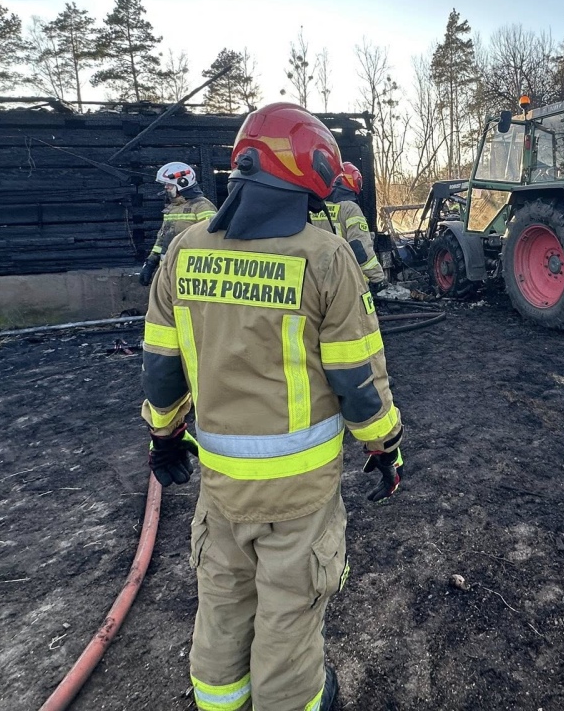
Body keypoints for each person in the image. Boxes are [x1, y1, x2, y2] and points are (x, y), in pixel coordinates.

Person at [140, 103, 404, 711]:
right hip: (298, 495)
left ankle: (218, 701)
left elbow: (160, 366)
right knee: (288, 611)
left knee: (224, 602)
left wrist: (163, 436)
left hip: (221, 484)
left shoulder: (183, 253)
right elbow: (357, 378)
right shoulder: (325, 257)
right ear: (308, 168)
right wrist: (385, 446)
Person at [139, 162, 218, 286]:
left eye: (169, 185)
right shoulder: (173, 208)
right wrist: (151, 262)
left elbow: (211, 240)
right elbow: (163, 238)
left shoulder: (202, 207)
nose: (166, 188)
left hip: (192, 273)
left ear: (182, 183)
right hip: (169, 269)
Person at [310, 162, 386, 290]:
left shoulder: (314, 208)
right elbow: (359, 247)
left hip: (315, 279)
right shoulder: (349, 209)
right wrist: (378, 278)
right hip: (344, 280)